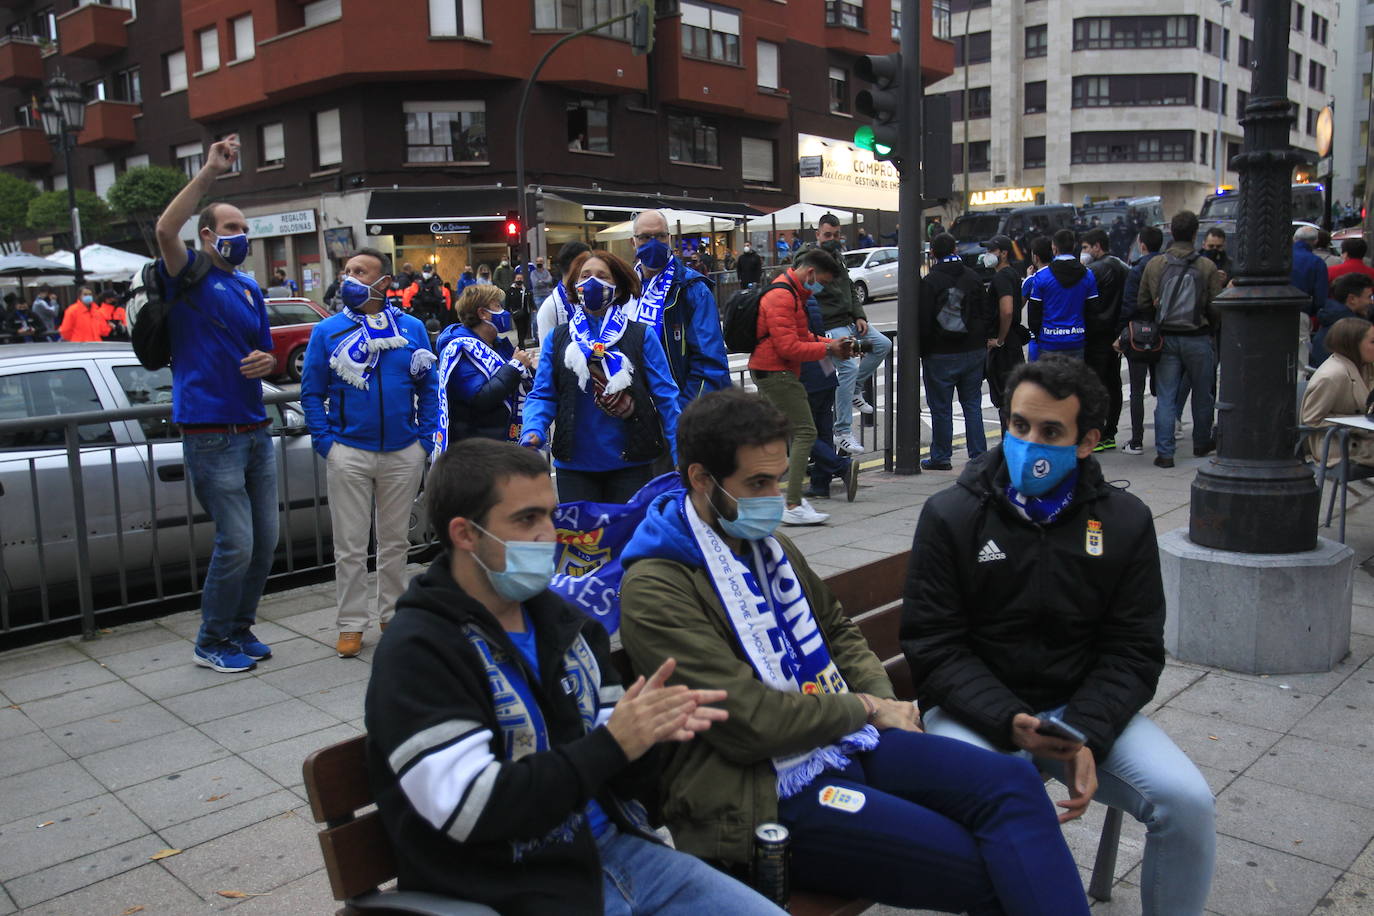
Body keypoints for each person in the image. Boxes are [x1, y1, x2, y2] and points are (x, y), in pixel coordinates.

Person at [617, 389, 1091, 916]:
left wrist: (880, 701)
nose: (775, 497)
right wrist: (866, 709)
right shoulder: (656, 587)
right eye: (757, 483)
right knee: (991, 866)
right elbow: (748, 720)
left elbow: (836, 627)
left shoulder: (765, 544)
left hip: (844, 741)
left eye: (778, 479)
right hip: (761, 792)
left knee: (1014, 784)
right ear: (701, 479)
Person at [365, 438, 785, 916]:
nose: (550, 534)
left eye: (550, 514)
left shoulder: (563, 623)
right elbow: (472, 807)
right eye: (526, 519)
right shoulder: (419, 650)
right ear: (465, 534)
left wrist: (653, 737)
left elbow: (620, 773)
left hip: (621, 856)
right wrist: (616, 744)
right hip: (512, 890)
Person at [903, 357, 1216, 916]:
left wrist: (1085, 732)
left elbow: (1134, 648)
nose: (1029, 443)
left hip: (1079, 709)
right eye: (1020, 426)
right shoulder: (952, 515)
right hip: (976, 712)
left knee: (1186, 802)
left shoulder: (1123, 521)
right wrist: (1008, 721)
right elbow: (934, 645)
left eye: (1051, 432)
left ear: (1086, 442)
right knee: (1008, 794)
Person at [153, 134, 278, 674]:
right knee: (238, 540)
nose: (241, 236)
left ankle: (238, 629)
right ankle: (211, 641)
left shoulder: (250, 289)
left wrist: (266, 364)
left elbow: (268, 353)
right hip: (210, 430)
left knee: (264, 541)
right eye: (231, 228)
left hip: (254, 427)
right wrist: (210, 172)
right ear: (206, 236)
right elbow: (163, 229)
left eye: (245, 229)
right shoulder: (188, 275)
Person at [300, 247, 438, 658]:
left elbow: (428, 386)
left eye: (359, 271)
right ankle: (350, 624)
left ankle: (392, 615)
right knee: (350, 545)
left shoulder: (411, 328)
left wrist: (425, 440)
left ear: (383, 282)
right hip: (349, 452)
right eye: (346, 271)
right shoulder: (328, 331)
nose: (349, 278)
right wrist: (327, 443)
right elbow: (312, 392)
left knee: (395, 543)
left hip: (403, 452)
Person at [521, 250, 681, 504]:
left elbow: (666, 397)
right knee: (583, 543)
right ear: (575, 286)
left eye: (602, 276)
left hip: (633, 464)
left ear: (617, 288)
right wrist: (533, 428)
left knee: (628, 541)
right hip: (574, 467)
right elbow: (543, 393)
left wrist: (680, 451)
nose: (592, 282)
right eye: (585, 276)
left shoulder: (640, 335)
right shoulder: (559, 337)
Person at [750, 248, 857, 525]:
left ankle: (778, 499)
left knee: (779, 435)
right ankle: (793, 502)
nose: (821, 286)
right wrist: (828, 349)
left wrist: (828, 345)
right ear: (811, 273)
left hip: (777, 371)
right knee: (805, 432)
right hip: (776, 372)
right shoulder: (781, 296)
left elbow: (803, 335)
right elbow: (789, 346)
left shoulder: (792, 292)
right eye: (822, 280)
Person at [1139, 211, 1224, 468]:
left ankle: (1165, 452)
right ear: (1195, 234)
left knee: (1166, 396)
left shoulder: (1156, 265)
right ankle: (1200, 442)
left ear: (1172, 233)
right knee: (1202, 393)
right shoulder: (1206, 266)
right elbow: (1216, 306)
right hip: (1197, 336)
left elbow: (1142, 301)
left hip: (1165, 337)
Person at [805, 213, 893, 457]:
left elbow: (851, 291)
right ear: (818, 235)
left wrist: (859, 315)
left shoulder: (839, 257)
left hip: (848, 321)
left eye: (835, 234)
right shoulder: (810, 259)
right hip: (831, 325)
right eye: (827, 235)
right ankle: (842, 430)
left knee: (882, 344)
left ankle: (854, 390)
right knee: (848, 368)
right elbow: (808, 291)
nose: (832, 239)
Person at [626, 210, 732, 409]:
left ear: (670, 239)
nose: (654, 242)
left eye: (660, 236)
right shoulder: (623, 288)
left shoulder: (692, 289)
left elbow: (710, 364)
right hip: (636, 411)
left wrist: (682, 414)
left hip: (679, 409)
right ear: (633, 242)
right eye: (645, 237)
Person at [919, 233, 993, 471]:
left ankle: (941, 456)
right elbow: (985, 312)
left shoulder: (930, 281)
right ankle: (978, 455)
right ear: (955, 249)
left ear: (933, 254)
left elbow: (924, 322)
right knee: (972, 404)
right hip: (972, 349)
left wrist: (924, 350)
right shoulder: (972, 277)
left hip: (940, 352)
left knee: (941, 407)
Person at [436, 284, 534, 446]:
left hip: (502, 440)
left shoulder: (498, 344)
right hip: (476, 446)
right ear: (482, 313)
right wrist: (515, 367)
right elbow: (480, 399)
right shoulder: (461, 349)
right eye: (497, 306)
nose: (503, 311)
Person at [799, 291, 860, 502]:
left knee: (798, 432)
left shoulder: (793, 301)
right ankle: (820, 484)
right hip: (824, 368)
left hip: (807, 370)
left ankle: (841, 466)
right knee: (822, 429)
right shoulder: (812, 300)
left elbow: (797, 339)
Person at [1302, 316, 1374, 466]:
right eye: (1372, 342)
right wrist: (1357, 424)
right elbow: (1312, 419)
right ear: (1353, 345)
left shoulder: (1366, 365)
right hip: (1335, 443)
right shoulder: (1332, 376)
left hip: (1360, 437)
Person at [1081, 227, 1129, 452]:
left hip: (1095, 335)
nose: (1084, 252)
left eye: (1085, 247)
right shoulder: (1123, 267)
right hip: (1115, 335)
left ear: (1097, 246)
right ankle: (1109, 432)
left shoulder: (1094, 270)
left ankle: (1096, 433)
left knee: (1095, 386)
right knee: (1113, 383)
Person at [1118, 225, 1165, 456]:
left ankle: (1136, 440)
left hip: (1139, 334)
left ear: (1142, 245)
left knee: (1136, 390)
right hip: (1164, 333)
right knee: (1165, 388)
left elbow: (1128, 305)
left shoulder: (1137, 270)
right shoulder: (1168, 266)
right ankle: (1167, 433)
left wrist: (1121, 334)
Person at [1024, 228, 1096, 361]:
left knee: (1049, 381)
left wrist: (1039, 336)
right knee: (1074, 380)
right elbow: (1092, 311)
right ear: (1074, 246)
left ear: (1054, 248)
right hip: (1077, 339)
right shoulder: (1088, 275)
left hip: (1049, 340)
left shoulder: (1041, 277)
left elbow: (1034, 314)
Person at [984, 235, 1029, 429]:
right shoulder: (1012, 273)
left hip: (1005, 346)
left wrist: (999, 340)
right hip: (1013, 342)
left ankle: (1009, 447)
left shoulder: (1001, 277)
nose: (987, 255)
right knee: (1013, 398)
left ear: (1003, 253)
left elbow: (1008, 309)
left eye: (992, 251)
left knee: (1005, 400)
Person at [1310, 274, 1374, 368]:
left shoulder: (1331, 317)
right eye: (1369, 297)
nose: (1371, 302)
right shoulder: (1354, 329)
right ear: (1352, 299)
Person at [534, 241, 591, 344]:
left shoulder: (590, 297)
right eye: (585, 263)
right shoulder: (550, 307)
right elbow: (547, 354)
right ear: (573, 265)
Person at [1293, 225, 1330, 358]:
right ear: (1315, 242)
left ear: (1294, 239)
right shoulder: (1316, 262)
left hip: (1273, 310)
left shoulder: (1282, 258)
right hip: (1301, 311)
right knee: (1300, 356)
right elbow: (1320, 296)